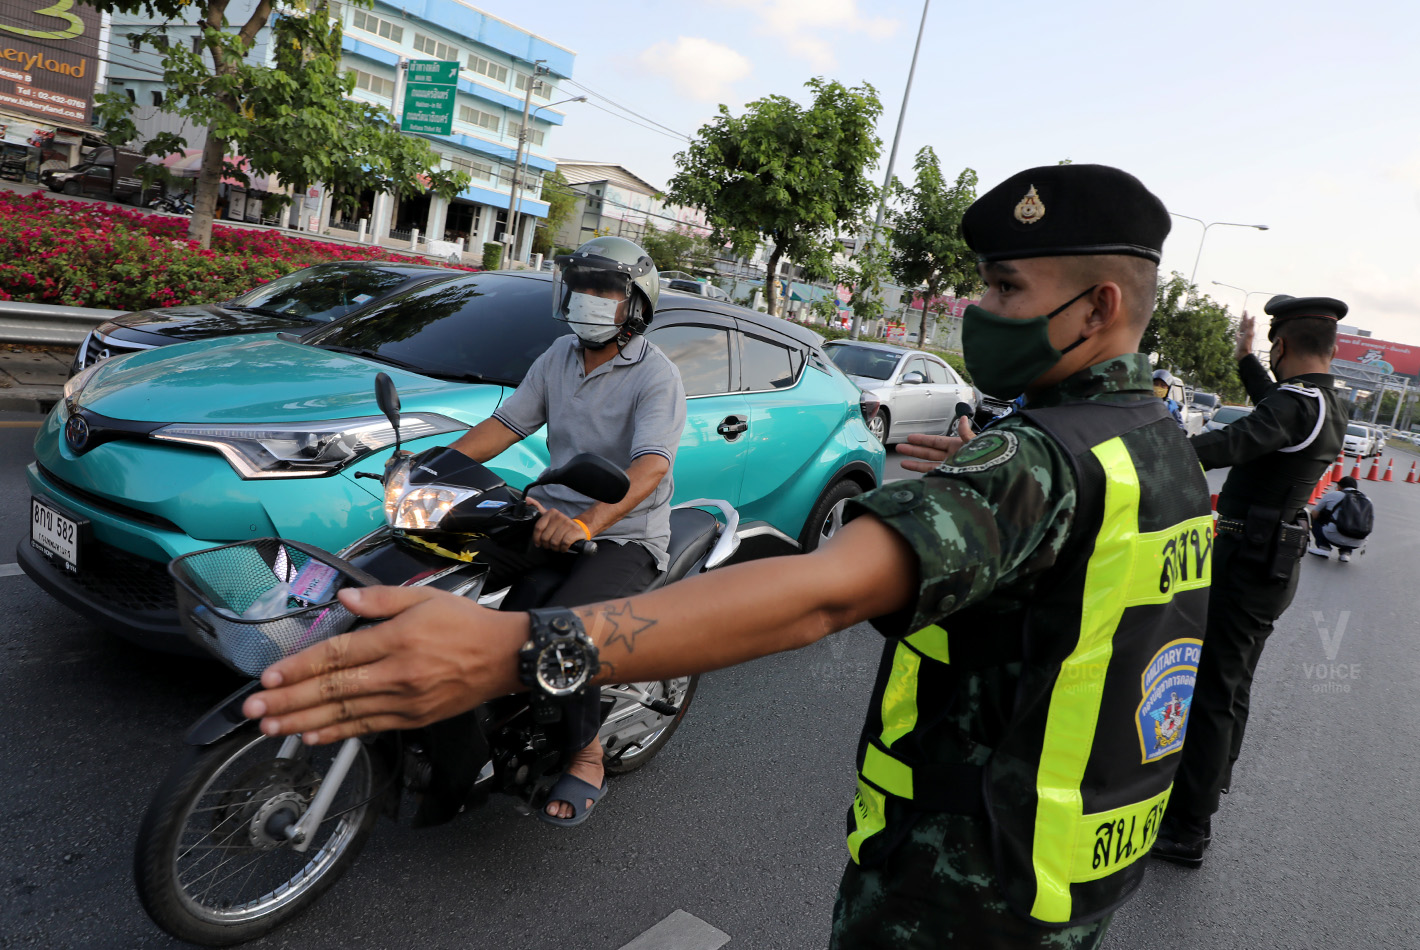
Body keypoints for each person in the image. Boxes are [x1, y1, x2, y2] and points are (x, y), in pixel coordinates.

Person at [243, 165, 1214, 948]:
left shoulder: (1036, 460)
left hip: (963, 880)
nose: (977, 304)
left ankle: (578, 737)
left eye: (1005, 286)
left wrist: (511, 649)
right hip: (1069, 864)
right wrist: (432, 467)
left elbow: (817, 594)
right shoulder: (1152, 446)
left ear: (1096, 308)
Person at [444, 235, 686, 825]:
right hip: (549, 518)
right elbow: (505, 424)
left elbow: (651, 467)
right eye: (580, 287)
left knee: (564, 632)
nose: (588, 299)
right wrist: (434, 470)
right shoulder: (557, 356)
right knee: (458, 576)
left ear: (635, 305)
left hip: (623, 532)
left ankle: (586, 751)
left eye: (604, 289)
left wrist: (585, 520)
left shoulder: (657, 376)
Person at [1152, 295, 1349, 867]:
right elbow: (1273, 407)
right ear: (1331, 349)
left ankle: (1189, 826)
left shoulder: (1296, 406)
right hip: (1272, 562)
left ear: (1281, 344)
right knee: (1231, 688)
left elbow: (1230, 442)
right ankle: (1201, 798)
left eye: (1270, 346)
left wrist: (1149, 452)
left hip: (1246, 562)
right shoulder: (1324, 402)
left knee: (1215, 688)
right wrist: (1245, 359)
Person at [1308, 475, 1371, 562]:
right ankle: (1346, 553)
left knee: (1320, 514)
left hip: (1333, 535)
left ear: (1340, 486)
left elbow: (1314, 514)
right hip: (1358, 541)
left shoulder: (1333, 495)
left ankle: (1324, 547)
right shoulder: (1367, 500)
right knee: (1356, 521)